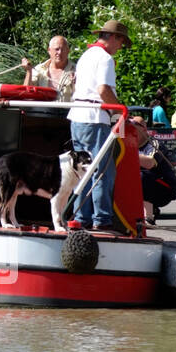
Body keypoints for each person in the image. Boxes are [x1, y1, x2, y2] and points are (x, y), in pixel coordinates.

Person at [67, 19, 130, 231]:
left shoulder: (86, 56)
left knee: (81, 170)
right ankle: (101, 220)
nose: (120, 47)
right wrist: (121, 109)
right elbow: (103, 90)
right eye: (121, 41)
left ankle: (79, 218)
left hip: (77, 116)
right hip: (94, 118)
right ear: (113, 37)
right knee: (102, 170)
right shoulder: (105, 59)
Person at [21, 35, 77, 101]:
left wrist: (75, 84)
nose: (60, 52)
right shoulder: (39, 69)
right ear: (49, 50)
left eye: (63, 49)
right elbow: (25, 94)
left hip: (67, 111)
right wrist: (29, 71)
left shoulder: (77, 70)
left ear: (68, 51)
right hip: (41, 110)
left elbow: (83, 97)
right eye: (57, 49)